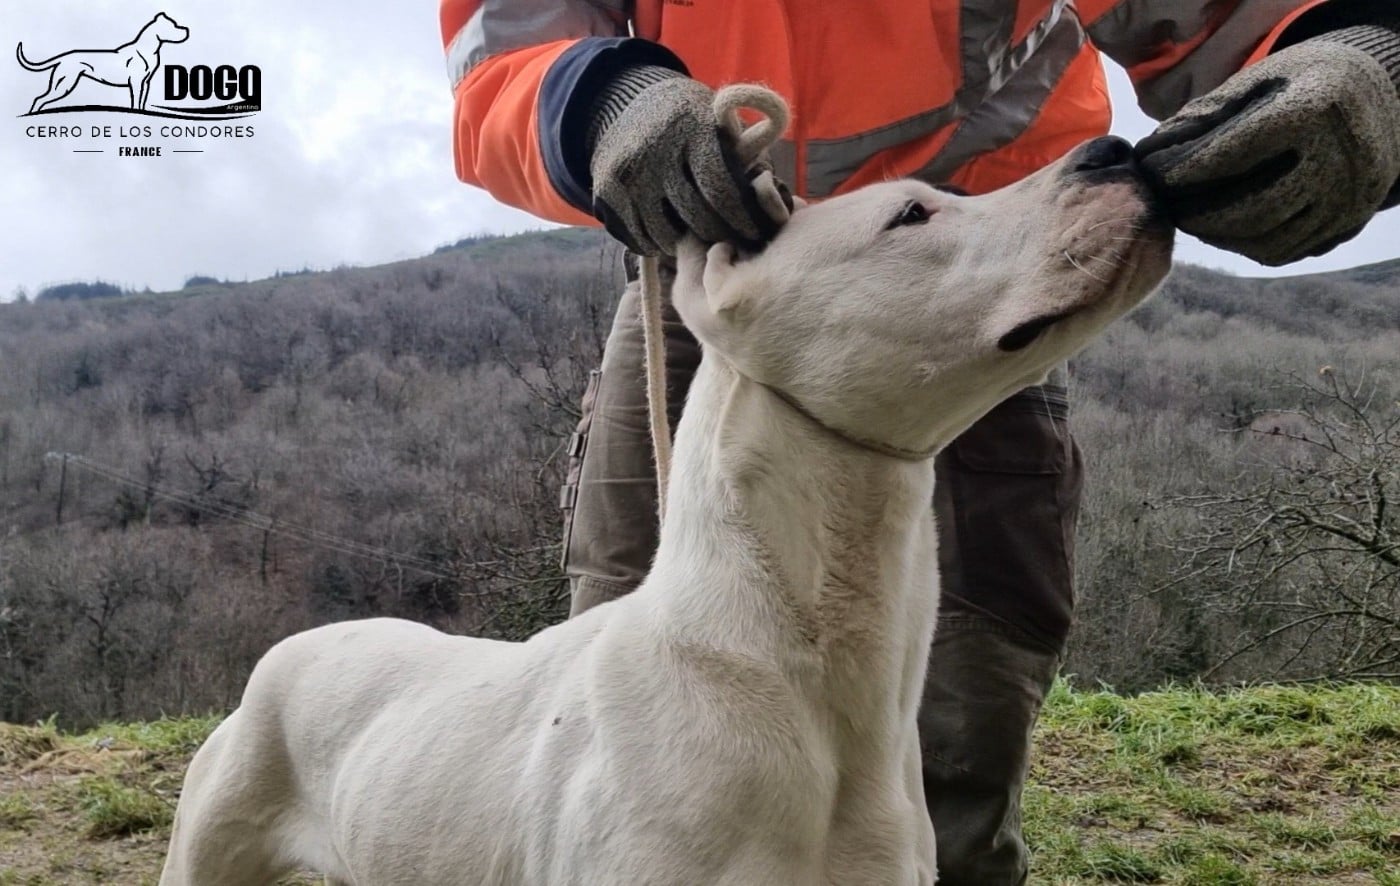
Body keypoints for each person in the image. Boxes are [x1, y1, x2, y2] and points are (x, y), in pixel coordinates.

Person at [438, 2, 1400, 882]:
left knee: (954, 745)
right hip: (708, 287)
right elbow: (508, 57)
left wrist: (1370, 52)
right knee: (626, 738)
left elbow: (1232, 19)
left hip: (974, 283)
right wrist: (603, 99)